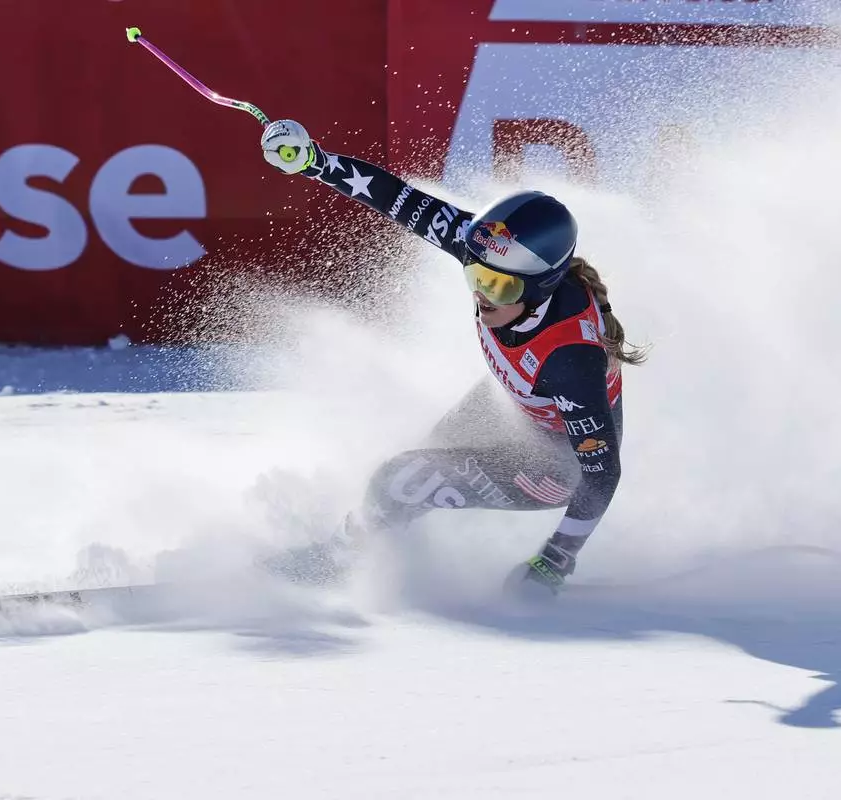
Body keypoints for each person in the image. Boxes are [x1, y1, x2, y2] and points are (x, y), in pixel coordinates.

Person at [258, 119, 648, 593]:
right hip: (517, 402)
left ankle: (339, 560)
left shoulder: (570, 359)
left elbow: (601, 474)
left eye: (498, 287)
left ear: (540, 288)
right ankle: (381, 538)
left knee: (398, 480)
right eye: (475, 277)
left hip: (557, 466)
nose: (482, 295)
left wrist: (554, 562)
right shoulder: (488, 249)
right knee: (420, 462)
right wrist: (316, 162)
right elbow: (398, 199)